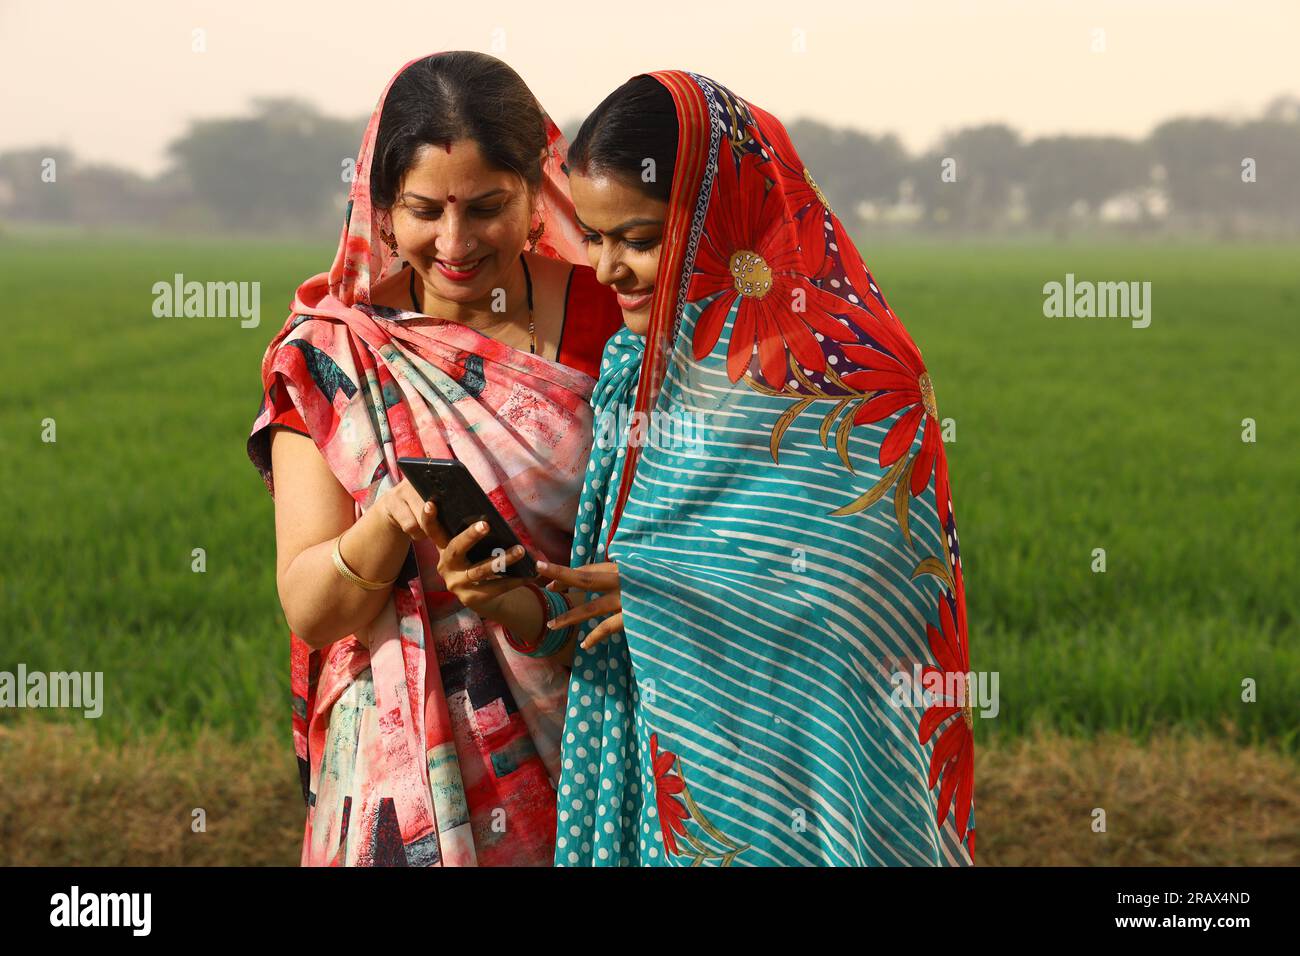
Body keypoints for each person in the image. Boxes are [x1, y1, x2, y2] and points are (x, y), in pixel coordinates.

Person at [534, 72, 977, 865]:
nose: (606, 270)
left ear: (724, 220)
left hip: (810, 760)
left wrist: (668, 599)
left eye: (638, 239)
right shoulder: (634, 363)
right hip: (664, 746)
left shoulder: (849, 371)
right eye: (593, 238)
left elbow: (870, 594)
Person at [245, 51, 622, 866]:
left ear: (537, 194)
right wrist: (384, 524)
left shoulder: (612, 315)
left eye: (486, 207)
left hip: (598, 726)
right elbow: (311, 607)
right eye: (422, 210)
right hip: (406, 767)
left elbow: (681, 530)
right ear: (381, 210)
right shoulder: (336, 352)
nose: (454, 243)